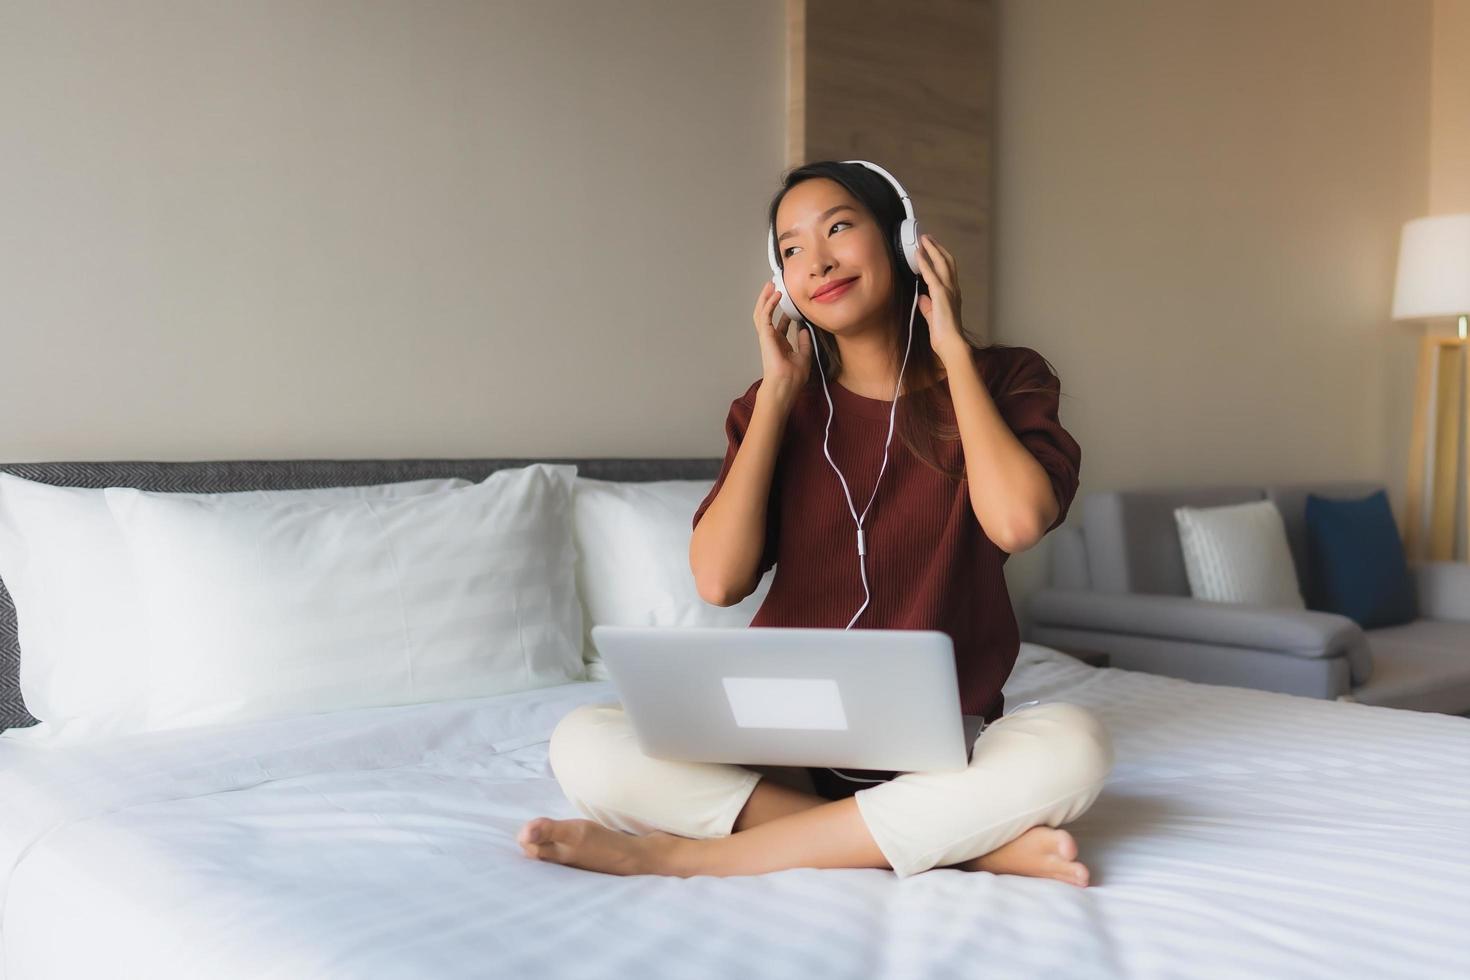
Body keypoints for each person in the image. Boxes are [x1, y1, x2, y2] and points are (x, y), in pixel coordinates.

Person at [518, 160, 1113, 885]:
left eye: (838, 228)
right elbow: (717, 579)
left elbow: (1017, 522)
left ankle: (693, 854)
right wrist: (775, 397)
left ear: (902, 239)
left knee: (1073, 747)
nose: (818, 261)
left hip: (942, 739)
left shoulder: (1005, 378)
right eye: (792, 249)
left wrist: (953, 350)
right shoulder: (773, 407)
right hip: (776, 739)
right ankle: (961, 840)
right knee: (584, 742)